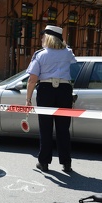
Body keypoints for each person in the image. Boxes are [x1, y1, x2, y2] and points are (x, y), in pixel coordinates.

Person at [26, 25, 77, 172]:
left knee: (45, 128)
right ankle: (66, 163)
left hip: (46, 90)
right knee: (63, 128)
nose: (41, 38)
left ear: (47, 38)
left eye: (43, 36)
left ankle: (44, 162)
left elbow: (32, 79)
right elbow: (72, 62)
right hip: (64, 90)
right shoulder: (68, 53)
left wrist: (28, 99)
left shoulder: (40, 54)